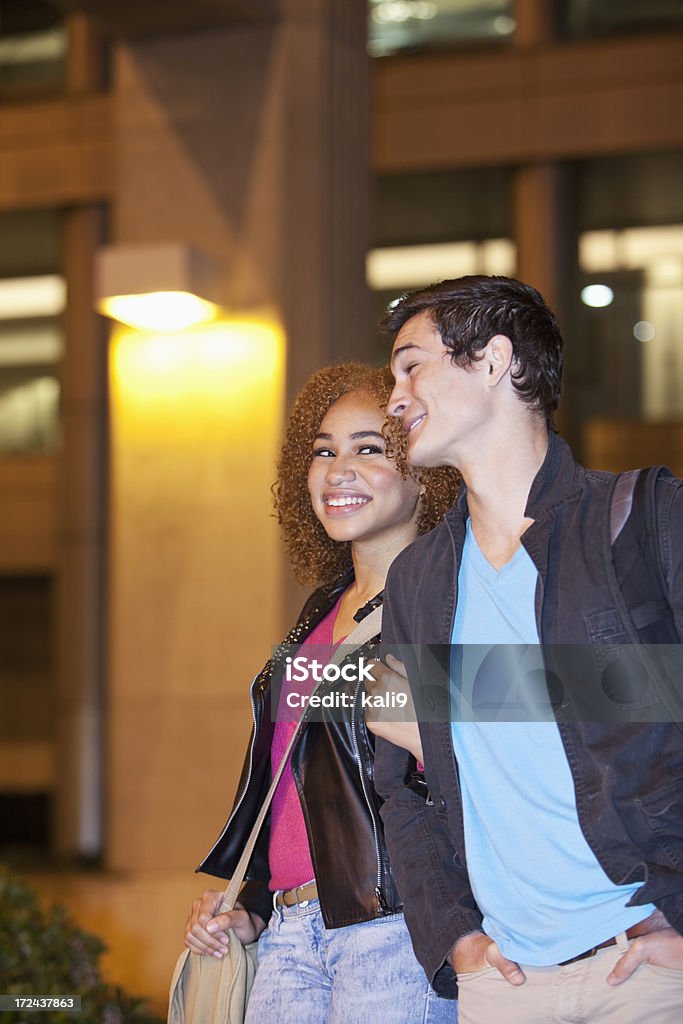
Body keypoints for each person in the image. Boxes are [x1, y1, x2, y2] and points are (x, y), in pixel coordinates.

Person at [368, 275, 683, 1024]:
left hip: (644, 964)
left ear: (493, 360)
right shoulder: (419, 578)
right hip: (502, 983)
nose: (394, 398)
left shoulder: (642, 519)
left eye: (412, 366)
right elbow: (400, 788)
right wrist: (454, 938)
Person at [183, 362, 459, 1024]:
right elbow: (290, 774)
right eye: (323, 451)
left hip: (391, 927)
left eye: (369, 448)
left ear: (423, 469)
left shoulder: (450, 605)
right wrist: (249, 901)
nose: (338, 469)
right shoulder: (320, 611)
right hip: (288, 926)